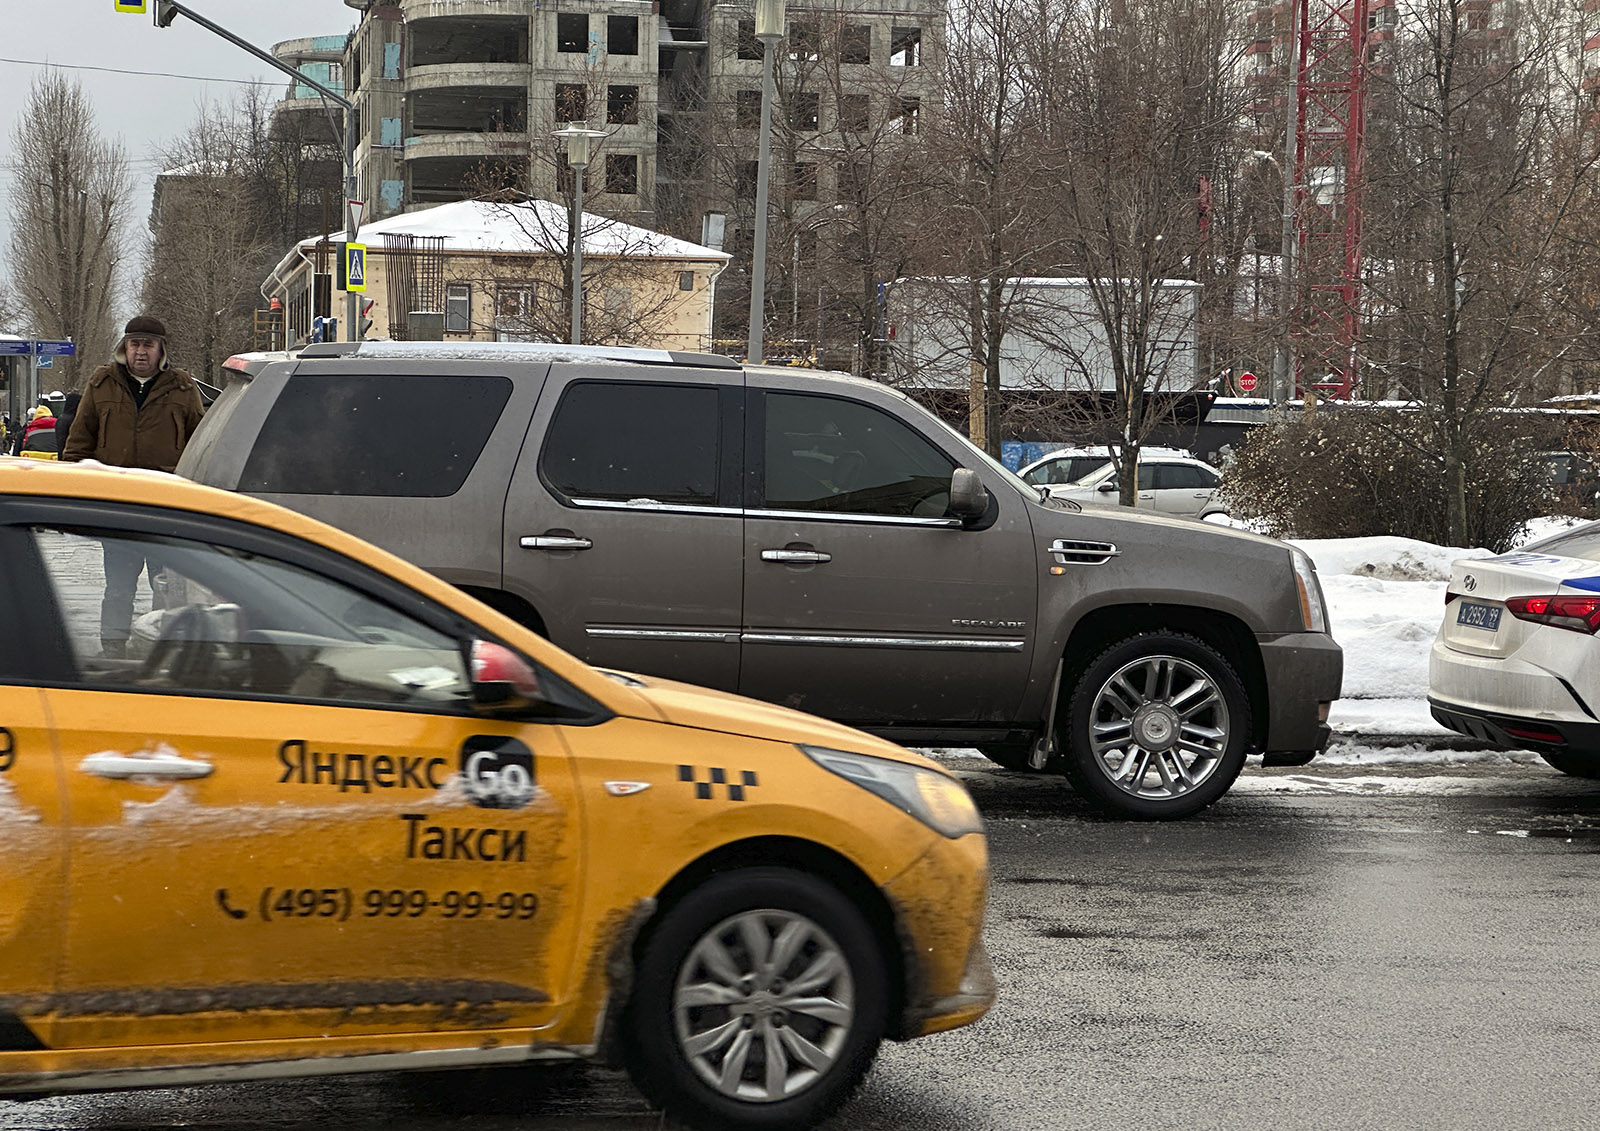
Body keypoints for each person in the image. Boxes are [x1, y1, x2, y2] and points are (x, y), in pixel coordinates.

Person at [62, 315, 206, 657]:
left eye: (148, 345)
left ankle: (161, 650)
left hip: (166, 504)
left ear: (161, 351)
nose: (141, 352)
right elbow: (79, 441)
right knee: (118, 586)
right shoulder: (102, 384)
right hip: (118, 502)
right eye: (134, 344)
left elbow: (201, 446)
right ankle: (112, 648)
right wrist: (69, 493)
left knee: (167, 586)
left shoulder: (183, 389)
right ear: (124, 348)